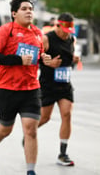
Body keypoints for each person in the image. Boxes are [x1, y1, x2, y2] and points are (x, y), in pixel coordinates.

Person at [0, 0, 51, 175]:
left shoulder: (38, 34)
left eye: (30, 8)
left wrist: (44, 58)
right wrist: (18, 60)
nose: (29, 11)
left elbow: (37, 57)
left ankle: (31, 171)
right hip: (8, 89)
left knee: (30, 130)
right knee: (5, 129)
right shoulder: (5, 31)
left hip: (31, 89)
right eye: (24, 9)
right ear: (14, 13)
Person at [38, 12, 80, 166]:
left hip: (64, 83)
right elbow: (36, 59)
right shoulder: (46, 38)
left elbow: (69, 58)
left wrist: (75, 59)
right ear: (58, 26)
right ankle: (30, 134)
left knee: (67, 114)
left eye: (69, 31)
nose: (66, 35)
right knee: (44, 118)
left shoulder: (71, 39)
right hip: (48, 84)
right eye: (64, 31)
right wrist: (48, 63)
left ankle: (62, 153)